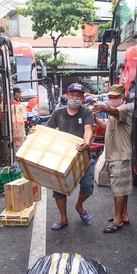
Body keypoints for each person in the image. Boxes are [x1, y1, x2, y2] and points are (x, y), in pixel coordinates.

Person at [45, 83, 95, 231]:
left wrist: (86, 143)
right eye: (72, 95)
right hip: (62, 158)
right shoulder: (58, 113)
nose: (74, 98)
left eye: (78, 96)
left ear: (82, 98)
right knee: (58, 189)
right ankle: (63, 219)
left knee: (87, 186)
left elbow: (88, 130)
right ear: (67, 96)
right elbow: (47, 131)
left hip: (82, 156)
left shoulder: (86, 113)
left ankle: (79, 205)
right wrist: (38, 131)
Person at [92, 84, 133, 233]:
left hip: (120, 156)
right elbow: (106, 127)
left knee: (118, 189)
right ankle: (124, 214)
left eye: (115, 97)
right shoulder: (113, 114)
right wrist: (96, 119)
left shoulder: (124, 109)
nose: (112, 99)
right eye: (110, 97)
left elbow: (114, 111)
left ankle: (118, 220)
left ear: (123, 98)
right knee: (122, 188)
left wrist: (105, 108)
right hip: (115, 155)